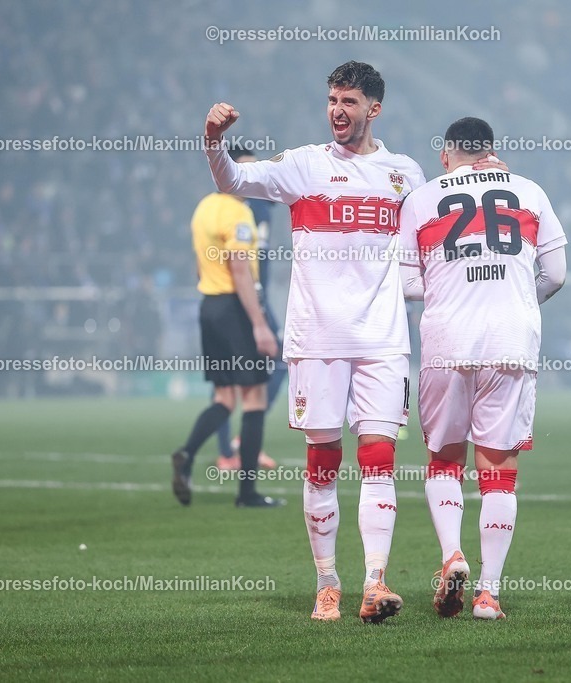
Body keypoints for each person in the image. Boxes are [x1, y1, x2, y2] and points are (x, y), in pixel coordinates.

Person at [203, 61, 504, 623]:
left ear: (374, 108)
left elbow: (452, 223)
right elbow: (233, 181)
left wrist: (488, 176)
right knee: (322, 460)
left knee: (380, 462)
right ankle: (327, 582)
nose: (337, 111)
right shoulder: (303, 166)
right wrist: (213, 141)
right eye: (332, 101)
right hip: (316, 340)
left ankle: (374, 582)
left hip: (383, 341)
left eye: (348, 102)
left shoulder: (404, 175)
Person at [399, 117, 567, 620]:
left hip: (448, 342)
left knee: (445, 459)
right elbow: (556, 273)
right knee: (499, 471)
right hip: (510, 342)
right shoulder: (528, 191)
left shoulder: (423, 198)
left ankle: (452, 555)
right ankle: (488, 593)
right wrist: (518, 300)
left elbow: (407, 284)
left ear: (448, 155)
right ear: (491, 151)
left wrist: (455, 292)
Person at [171, 143, 282, 508]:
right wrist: (260, 324)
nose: (249, 179)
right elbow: (239, 269)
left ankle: (186, 454)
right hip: (236, 308)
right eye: (244, 171)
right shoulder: (239, 213)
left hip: (209, 307)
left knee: (223, 398)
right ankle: (247, 493)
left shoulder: (203, 207)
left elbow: (201, 263)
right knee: (254, 399)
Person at [214, 147, 281, 473]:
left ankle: (243, 442)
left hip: (261, 297)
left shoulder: (265, 199)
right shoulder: (231, 207)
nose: (253, 175)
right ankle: (228, 452)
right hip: (237, 298)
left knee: (278, 363)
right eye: (245, 170)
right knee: (227, 380)